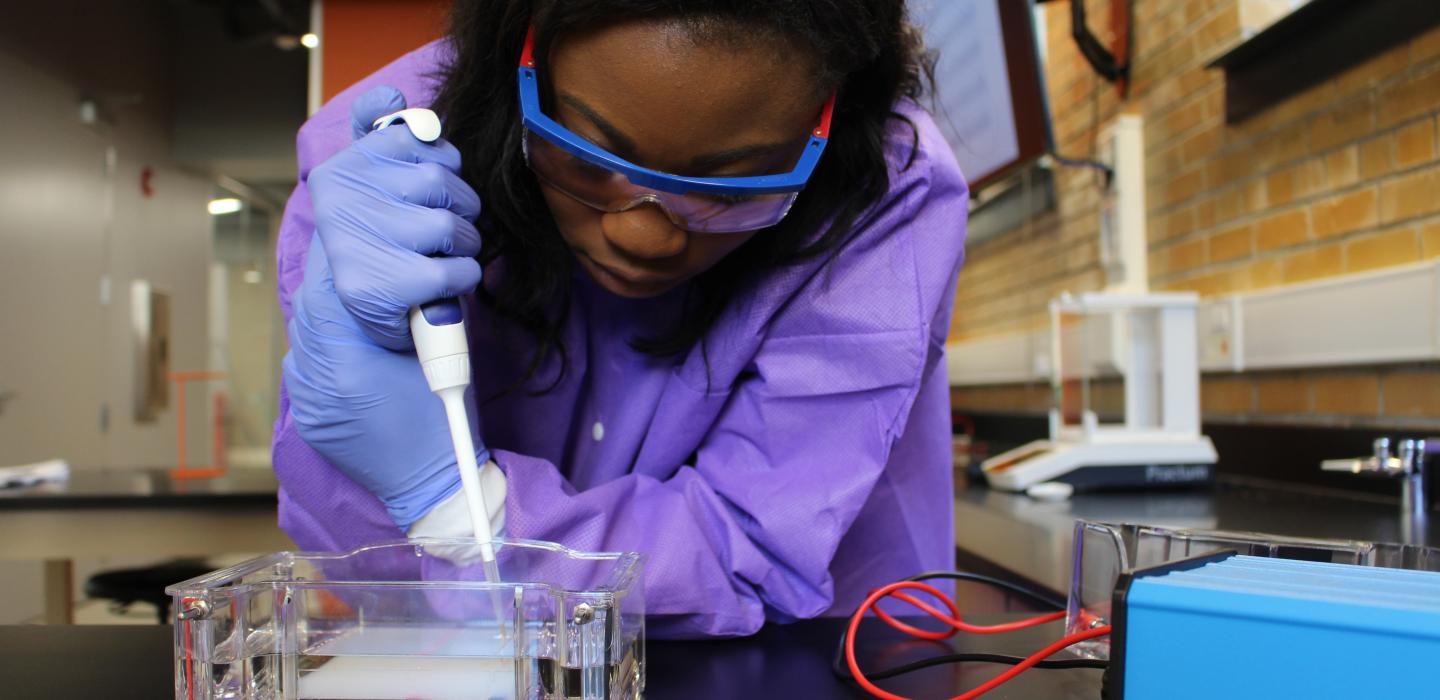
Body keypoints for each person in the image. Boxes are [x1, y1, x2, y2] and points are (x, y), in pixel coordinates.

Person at [276, 0, 968, 638]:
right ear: (525, 66)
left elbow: (753, 549)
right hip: (457, 654)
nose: (646, 238)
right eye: (587, 157)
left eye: (733, 183)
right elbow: (371, 560)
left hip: (800, 653)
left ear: (827, 121)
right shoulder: (381, 170)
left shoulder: (884, 182)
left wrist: (458, 513)